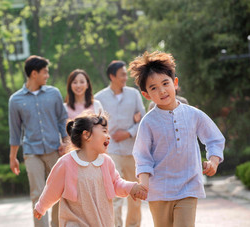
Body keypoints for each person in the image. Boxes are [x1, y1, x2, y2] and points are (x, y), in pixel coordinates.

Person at [128, 51, 225, 227]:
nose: (162, 90)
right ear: (146, 95)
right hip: (159, 191)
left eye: (165, 83)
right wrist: (143, 186)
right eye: (154, 88)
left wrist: (213, 162)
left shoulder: (194, 114)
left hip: (188, 187)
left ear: (175, 83)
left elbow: (214, 139)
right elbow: (142, 157)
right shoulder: (148, 122)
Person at [33, 112, 148, 227]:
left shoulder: (106, 162)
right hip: (75, 222)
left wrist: (131, 188)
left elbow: (116, 183)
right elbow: (52, 188)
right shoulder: (66, 163)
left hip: (102, 222)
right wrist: (41, 207)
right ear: (87, 135)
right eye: (104, 131)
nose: (108, 136)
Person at [8, 55, 68, 227]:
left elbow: (62, 120)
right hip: (32, 152)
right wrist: (13, 157)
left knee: (59, 192)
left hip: (54, 150)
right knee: (37, 194)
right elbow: (15, 131)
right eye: (45, 72)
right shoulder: (15, 100)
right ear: (34, 74)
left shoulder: (54, 93)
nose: (47, 75)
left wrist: (66, 142)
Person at [95, 60, 146, 227]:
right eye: (122, 74)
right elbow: (96, 125)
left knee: (136, 194)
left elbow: (143, 121)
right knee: (114, 193)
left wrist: (128, 133)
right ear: (112, 76)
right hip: (111, 151)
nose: (126, 77)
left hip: (133, 150)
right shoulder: (99, 98)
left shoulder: (134, 94)